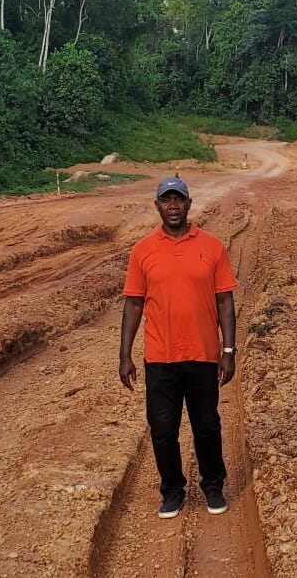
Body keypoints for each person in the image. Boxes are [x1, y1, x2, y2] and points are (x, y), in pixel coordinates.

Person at [119, 176, 238, 519]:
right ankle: (172, 490)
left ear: (189, 203)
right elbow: (134, 305)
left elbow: (225, 301)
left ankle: (213, 486)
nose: (173, 205)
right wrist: (124, 354)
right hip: (160, 358)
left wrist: (228, 351)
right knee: (162, 430)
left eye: (179, 199)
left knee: (207, 427)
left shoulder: (212, 247)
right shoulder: (143, 250)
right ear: (157, 206)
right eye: (166, 200)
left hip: (203, 355)